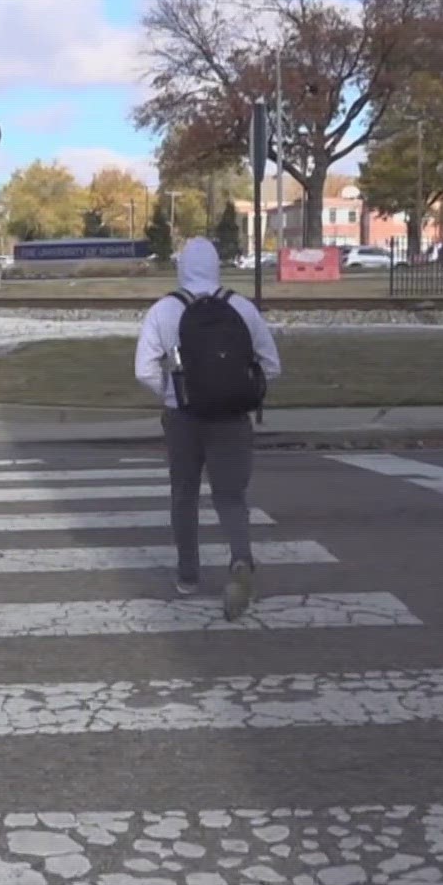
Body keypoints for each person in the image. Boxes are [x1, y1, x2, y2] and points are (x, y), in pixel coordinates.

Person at [134, 237, 281, 620]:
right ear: (217, 266)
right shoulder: (242, 307)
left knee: (183, 495)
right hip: (232, 419)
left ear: (182, 266)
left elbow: (143, 369)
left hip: (183, 419)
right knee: (231, 497)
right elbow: (272, 364)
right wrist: (245, 392)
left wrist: (172, 394)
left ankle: (188, 575)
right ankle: (241, 561)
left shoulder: (164, 310)